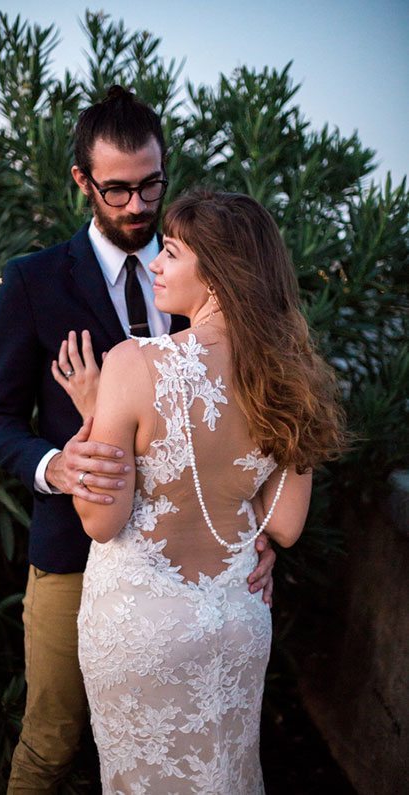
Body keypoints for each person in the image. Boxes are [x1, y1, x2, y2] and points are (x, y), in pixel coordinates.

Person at [0, 87, 276, 793]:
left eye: (151, 185)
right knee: (51, 739)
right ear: (82, 180)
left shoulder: (208, 275)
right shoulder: (31, 282)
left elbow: (245, 419)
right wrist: (56, 464)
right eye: (118, 189)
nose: (138, 205)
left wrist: (253, 529)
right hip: (76, 551)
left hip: (198, 567)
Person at [60, 190, 346, 793]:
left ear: (216, 271)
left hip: (141, 629)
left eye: (170, 252)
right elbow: (286, 527)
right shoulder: (290, 378)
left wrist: (93, 414)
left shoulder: (131, 362)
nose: (156, 266)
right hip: (237, 621)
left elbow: (101, 521)